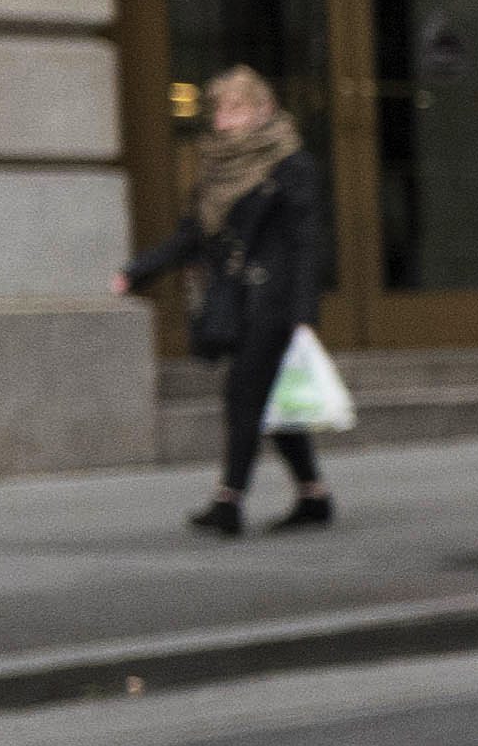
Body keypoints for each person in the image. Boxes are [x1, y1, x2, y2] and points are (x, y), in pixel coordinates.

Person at [114, 65, 334, 538]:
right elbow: (193, 238)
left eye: (236, 108)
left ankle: (228, 501)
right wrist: (137, 272)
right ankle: (313, 495)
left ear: (263, 110)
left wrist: (304, 316)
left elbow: (305, 243)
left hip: (273, 303)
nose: (224, 119)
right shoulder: (215, 170)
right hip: (238, 301)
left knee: (243, 397)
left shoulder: (290, 166)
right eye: (220, 108)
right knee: (274, 405)